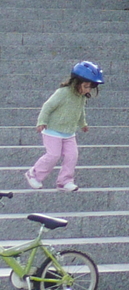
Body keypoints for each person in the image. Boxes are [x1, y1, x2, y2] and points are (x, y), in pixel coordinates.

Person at [26, 62, 102, 192]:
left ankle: (65, 181)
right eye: (85, 86)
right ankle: (34, 174)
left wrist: (83, 124)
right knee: (53, 155)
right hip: (53, 130)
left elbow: (80, 111)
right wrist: (41, 121)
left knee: (72, 156)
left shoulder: (82, 97)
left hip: (69, 133)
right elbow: (48, 106)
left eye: (90, 88)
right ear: (76, 82)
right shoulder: (63, 93)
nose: (87, 90)